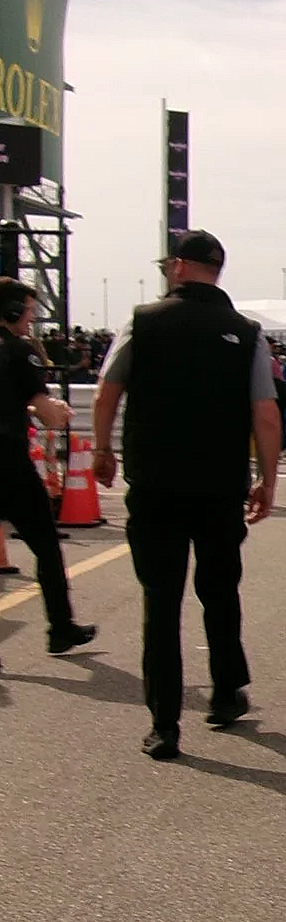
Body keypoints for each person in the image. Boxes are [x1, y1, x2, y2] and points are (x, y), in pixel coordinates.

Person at [92, 231, 283, 760]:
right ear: (217, 271)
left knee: (161, 601)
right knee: (219, 591)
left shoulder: (142, 321)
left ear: (178, 267)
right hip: (219, 485)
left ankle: (165, 724)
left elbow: (108, 390)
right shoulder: (245, 333)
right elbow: (265, 413)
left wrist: (103, 450)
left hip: (155, 483)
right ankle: (225, 694)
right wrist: (267, 478)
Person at [0, 277, 97, 657]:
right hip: (8, 463)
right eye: (27, 311)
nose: (31, 319)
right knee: (45, 546)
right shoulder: (18, 351)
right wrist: (57, 412)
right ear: (11, 312)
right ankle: (60, 626)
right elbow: (49, 414)